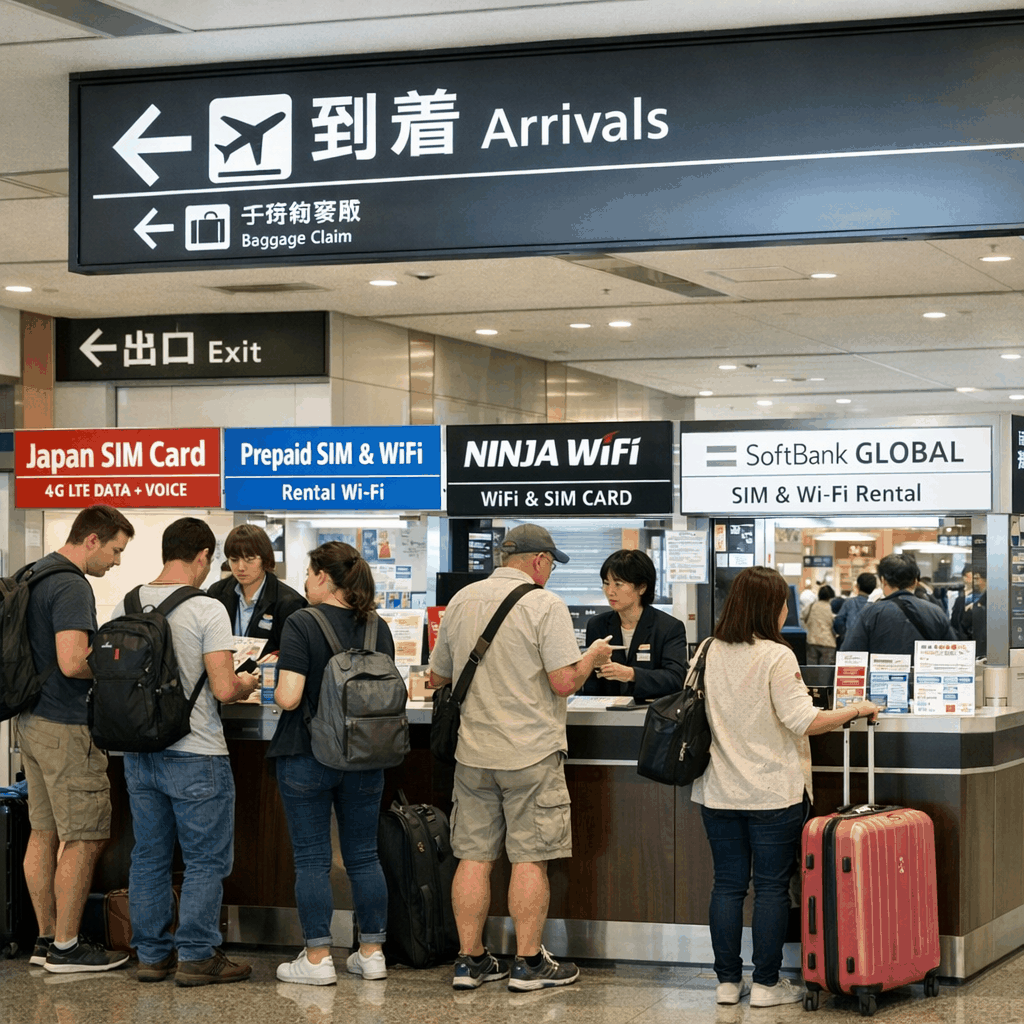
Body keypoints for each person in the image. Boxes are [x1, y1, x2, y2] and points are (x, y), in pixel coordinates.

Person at [429, 524, 613, 992]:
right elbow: (563, 682)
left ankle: (470, 961)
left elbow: (437, 677)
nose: (549, 573)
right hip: (530, 753)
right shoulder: (543, 604)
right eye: (551, 564)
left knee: (472, 856)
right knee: (531, 858)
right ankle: (529, 963)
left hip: (472, 754)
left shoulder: (463, 600)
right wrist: (591, 657)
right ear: (537, 561)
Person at [692, 566, 880, 1008]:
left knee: (727, 886)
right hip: (773, 792)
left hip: (718, 790)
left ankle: (725, 982)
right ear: (770, 608)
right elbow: (805, 721)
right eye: (782, 604)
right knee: (772, 887)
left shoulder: (707, 649)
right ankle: (766, 984)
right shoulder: (777, 656)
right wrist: (854, 710)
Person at [119, 517, 259, 986]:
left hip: (140, 753)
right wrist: (247, 683)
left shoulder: (130, 599)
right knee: (204, 860)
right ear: (202, 556)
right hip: (196, 751)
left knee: (150, 856)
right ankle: (197, 954)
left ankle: (152, 955)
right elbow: (222, 688)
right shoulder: (207, 609)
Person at [270, 542, 396, 986]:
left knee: (312, 859)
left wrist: (270, 679)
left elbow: (288, 696)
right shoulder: (376, 626)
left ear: (324, 576)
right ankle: (372, 952)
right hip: (365, 757)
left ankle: (319, 958)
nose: (305, 581)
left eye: (309, 572)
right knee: (363, 856)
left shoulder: (302, 622)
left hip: (307, 754)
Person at [18, 504, 135, 974]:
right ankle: (68, 947)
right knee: (84, 838)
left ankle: (46, 939)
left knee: (43, 832)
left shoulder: (33, 572)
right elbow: (72, 661)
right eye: (115, 550)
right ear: (92, 540)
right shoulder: (70, 584)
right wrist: (117, 667)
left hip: (31, 720)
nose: (117, 561)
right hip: (66, 726)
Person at [582, 548, 687, 703]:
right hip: (605, 717)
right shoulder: (597, 625)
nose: (610, 591)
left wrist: (631, 674)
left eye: (618, 584)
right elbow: (591, 682)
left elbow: (676, 678)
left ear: (642, 587)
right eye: (606, 583)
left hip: (652, 717)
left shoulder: (668, 627)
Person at [207, 524, 306, 657]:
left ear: (264, 559)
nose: (241, 567)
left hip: (266, 676)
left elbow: (296, 653)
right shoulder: (217, 593)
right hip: (225, 674)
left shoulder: (289, 602)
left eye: (249, 560)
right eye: (234, 560)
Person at [840, 554, 956, 657]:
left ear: (883, 580)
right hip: (925, 680)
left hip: (881, 679)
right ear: (915, 581)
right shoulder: (936, 612)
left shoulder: (870, 613)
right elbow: (952, 653)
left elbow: (850, 655)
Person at [833, 572, 875, 647]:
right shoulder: (874, 606)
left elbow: (838, 621)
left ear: (857, 586)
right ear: (873, 589)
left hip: (848, 645)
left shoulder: (849, 602)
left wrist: (845, 635)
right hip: (867, 645)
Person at [801, 585, 837, 665]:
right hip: (828, 643)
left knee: (812, 670)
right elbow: (835, 624)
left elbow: (803, 617)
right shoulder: (831, 608)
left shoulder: (811, 606)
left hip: (812, 641)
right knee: (825, 672)